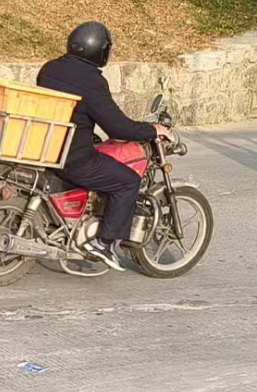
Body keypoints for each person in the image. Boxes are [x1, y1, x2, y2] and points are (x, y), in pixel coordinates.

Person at [38, 21, 173, 271]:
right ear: (100, 51)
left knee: (98, 148)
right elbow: (117, 128)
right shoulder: (92, 81)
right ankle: (103, 243)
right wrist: (151, 129)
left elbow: (72, 113)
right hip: (73, 159)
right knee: (127, 181)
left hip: (46, 147)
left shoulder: (50, 68)